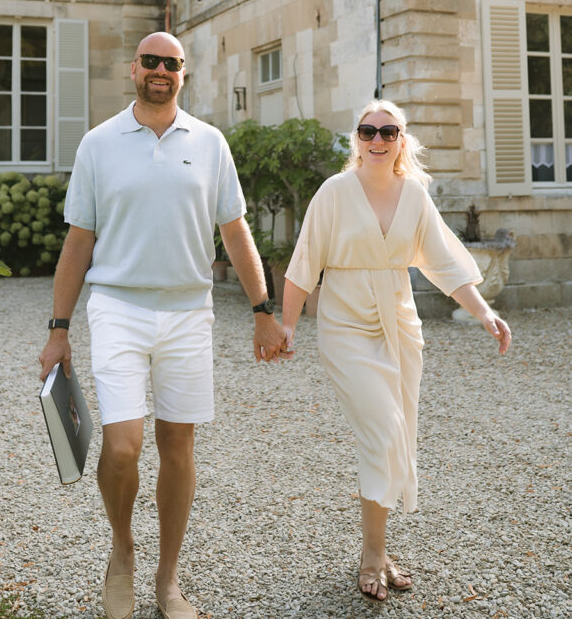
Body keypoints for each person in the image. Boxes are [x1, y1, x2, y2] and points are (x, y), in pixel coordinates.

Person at [38, 31, 289, 619]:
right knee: (122, 447)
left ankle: (167, 579)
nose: (160, 71)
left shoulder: (210, 143)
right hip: (118, 307)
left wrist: (262, 310)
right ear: (134, 69)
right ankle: (122, 551)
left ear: (183, 74)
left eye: (171, 64)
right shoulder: (99, 144)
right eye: (150, 61)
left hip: (188, 311)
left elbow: (235, 231)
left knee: (178, 444)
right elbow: (79, 241)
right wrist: (58, 329)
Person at [281, 99, 511, 603]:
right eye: (368, 131)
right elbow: (304, 264)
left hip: (400, 328)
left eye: (389, 132)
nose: (378, 141)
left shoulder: (414, 195)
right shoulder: (334, 193)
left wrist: (484, 313)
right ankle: (371, 557)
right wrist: (288, 327)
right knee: (384, 431)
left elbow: (446, 261)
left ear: (402, 140)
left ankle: (379, 552)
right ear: (356, 139)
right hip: (345, 327)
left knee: (394, 434)